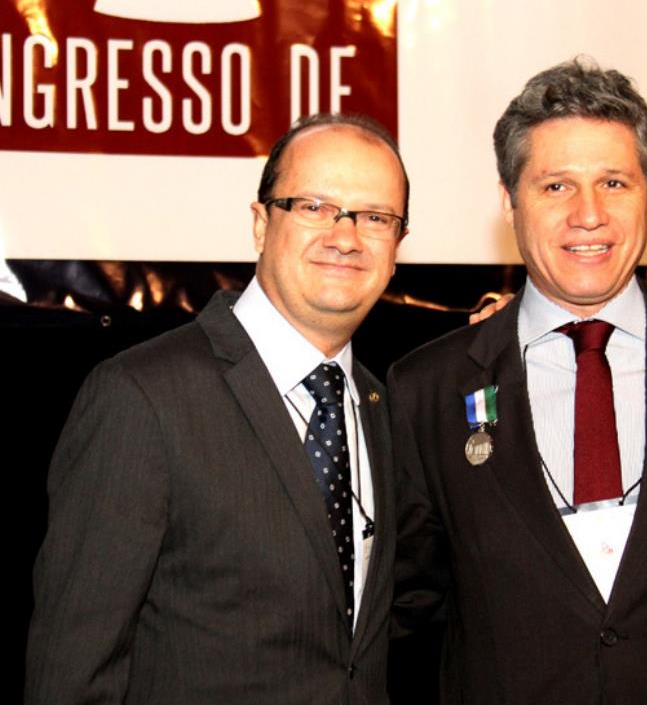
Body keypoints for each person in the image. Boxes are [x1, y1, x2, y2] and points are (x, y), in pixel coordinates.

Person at [388, 58, 647, 704]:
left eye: (614, 183)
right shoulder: (425, 390)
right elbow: (406, 617)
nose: (589, 214)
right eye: (556, 186)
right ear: (508, 200)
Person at [25, 113, 408, 705]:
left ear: (397, 247)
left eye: (375, 217)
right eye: (313, 206)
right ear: (260, 224)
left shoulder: (380, 406)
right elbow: (72, 673)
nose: (345, 236)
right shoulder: (142, 397)